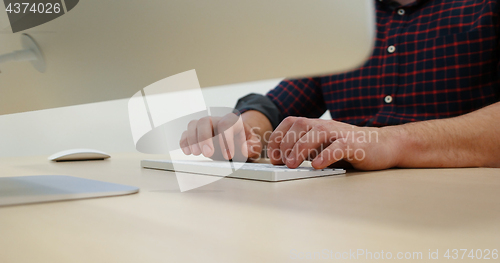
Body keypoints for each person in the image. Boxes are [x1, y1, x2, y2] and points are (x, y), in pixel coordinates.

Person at [180, 0, 500, 170]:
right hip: (347, 216)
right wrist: (247, 128)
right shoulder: (345, 24)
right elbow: (279, 105)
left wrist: (390, 141)